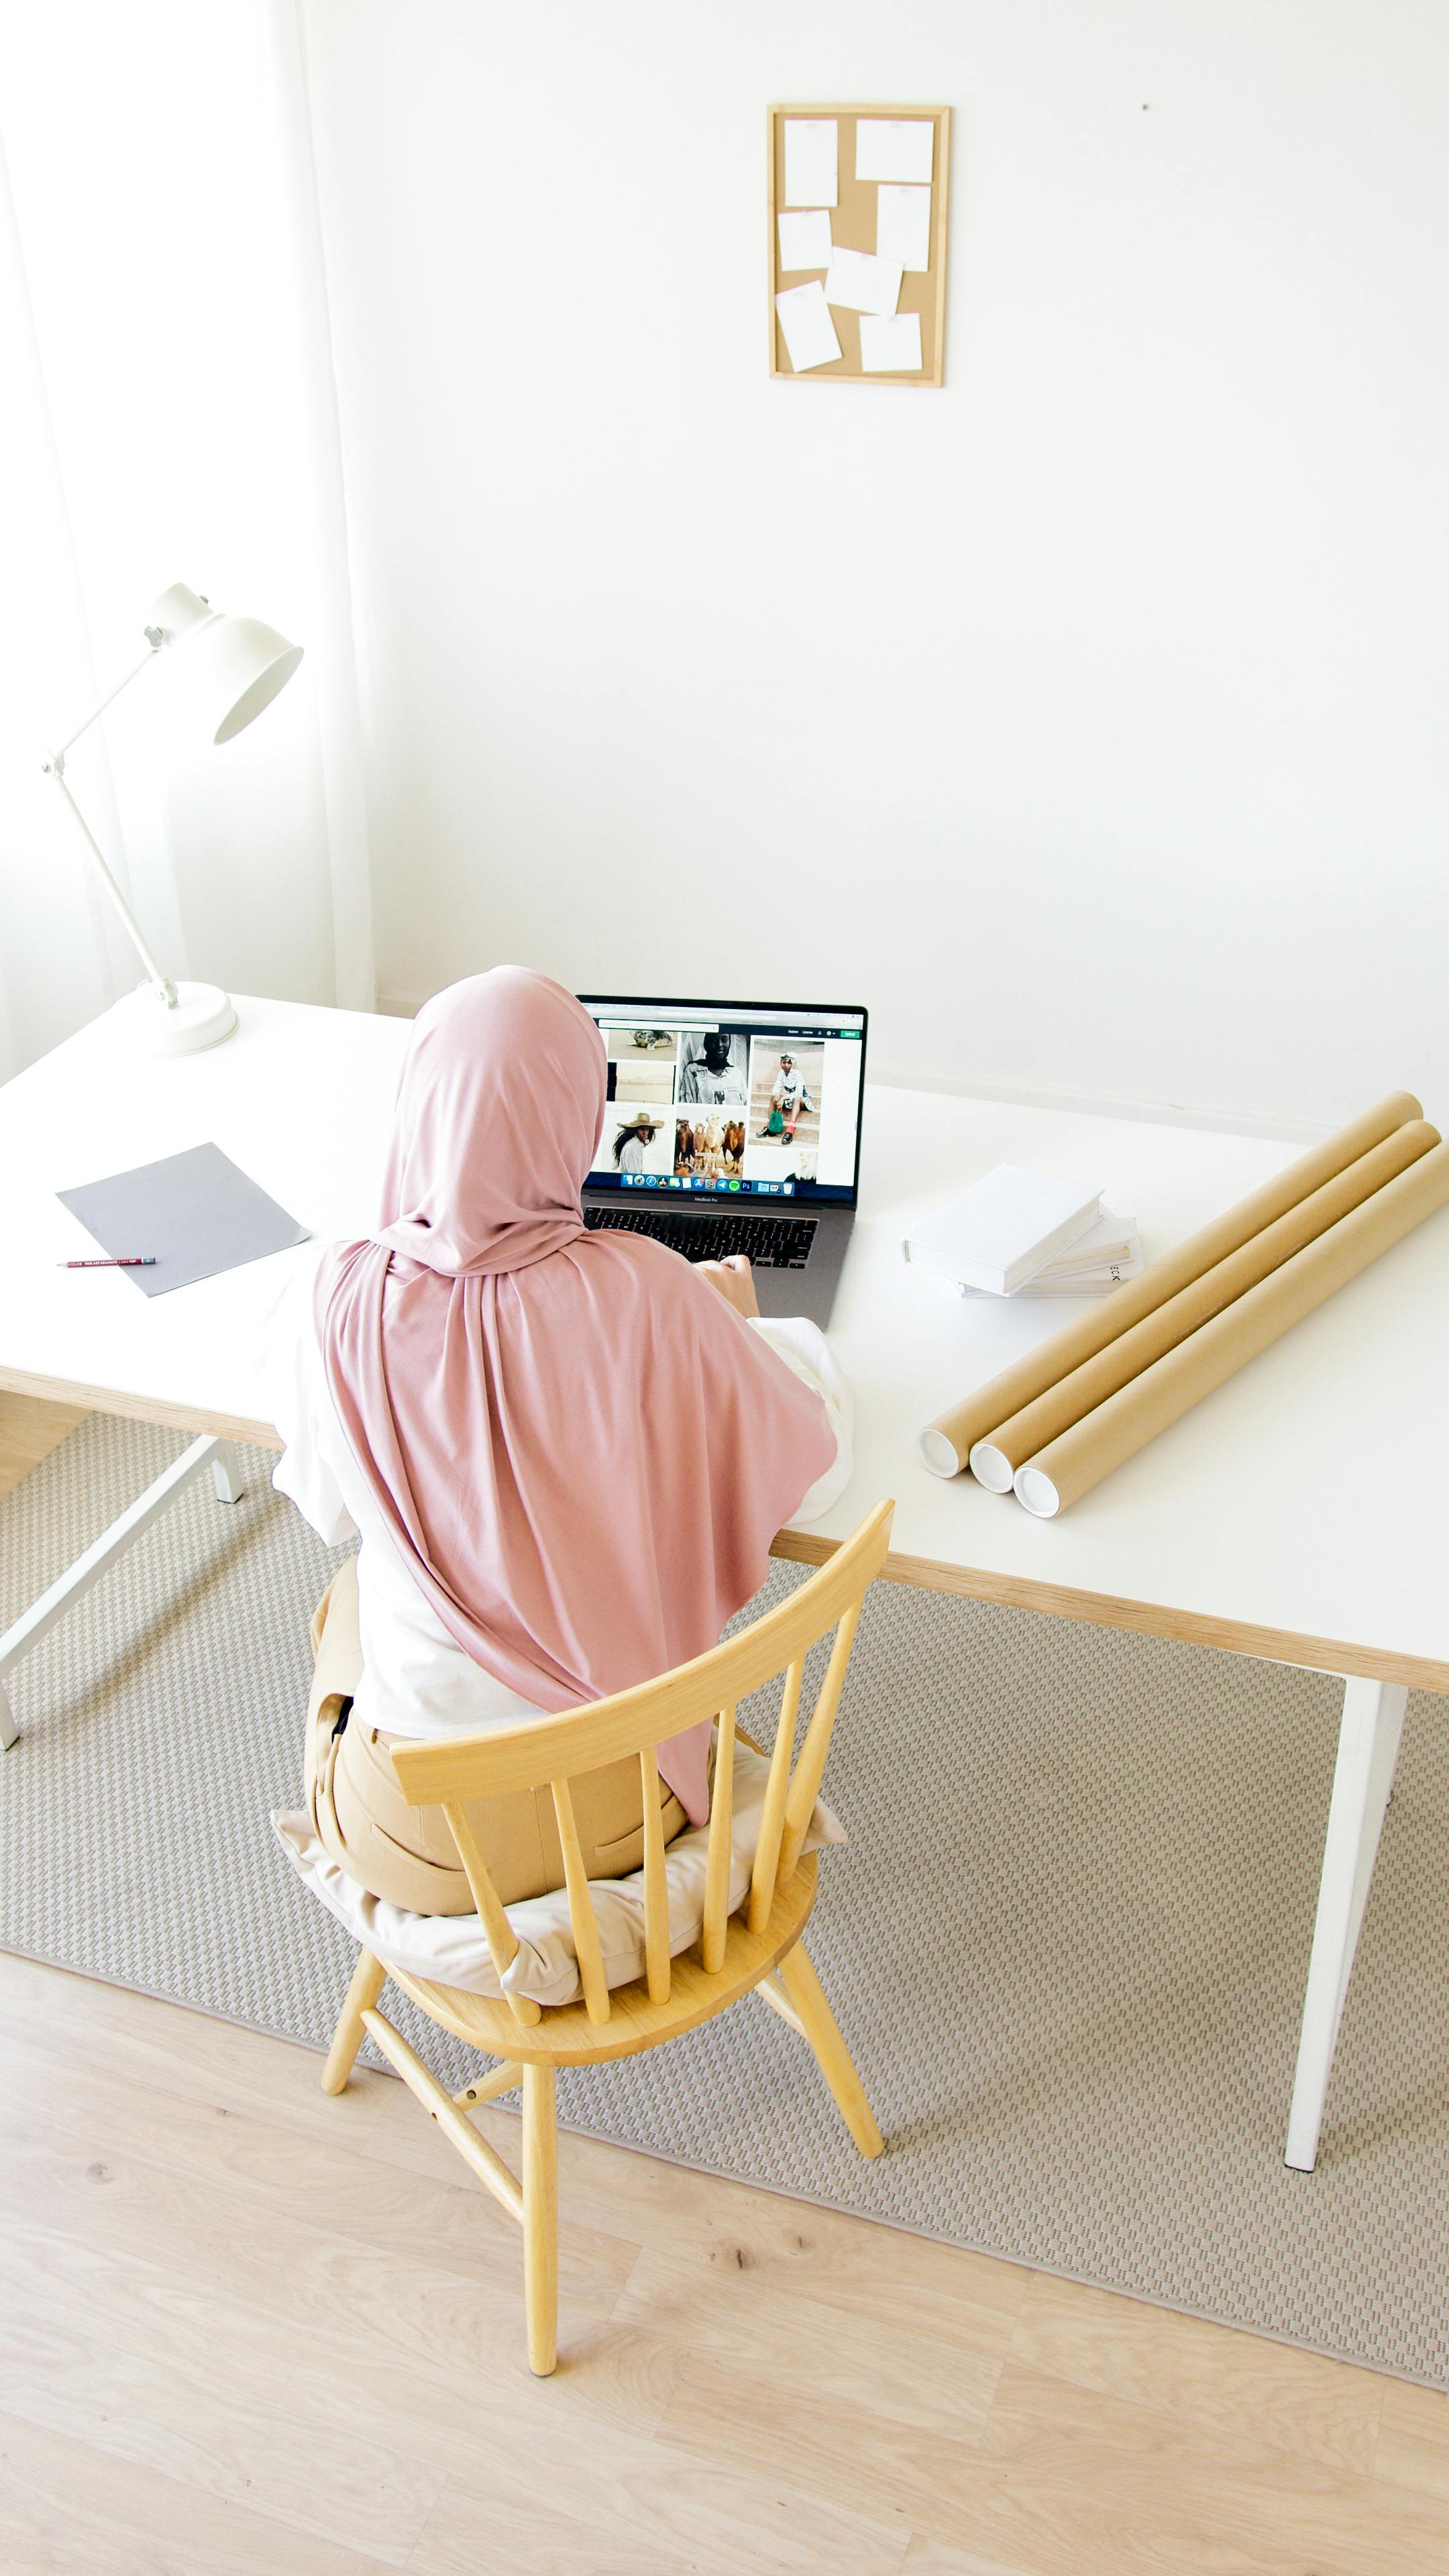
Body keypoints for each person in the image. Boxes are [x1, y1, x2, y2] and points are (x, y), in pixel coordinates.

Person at [264, 968, 853, 1915]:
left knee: (346, 1598)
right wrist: (740, 1336)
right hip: (624, 1817)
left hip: (411, 1839)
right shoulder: (648, 1291)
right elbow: (816, 1473)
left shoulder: (328, 1295)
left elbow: (331, 1509)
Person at [680, 1029, 747, 1108]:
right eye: (714, 1040)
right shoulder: (694, 1071)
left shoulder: (736, 1074)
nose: (720, 1045)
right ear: (707, 1043)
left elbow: (745, 1105)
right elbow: (686, 1105)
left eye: (724, 1040)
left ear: (729, 1042)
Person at [614, 1105, 663, 1171]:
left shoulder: (637, 1145)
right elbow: (634, 1176)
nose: (645, 1133)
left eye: (647, 1130)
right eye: (642, 1129)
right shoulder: (632, 1148)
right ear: (635, 1130)